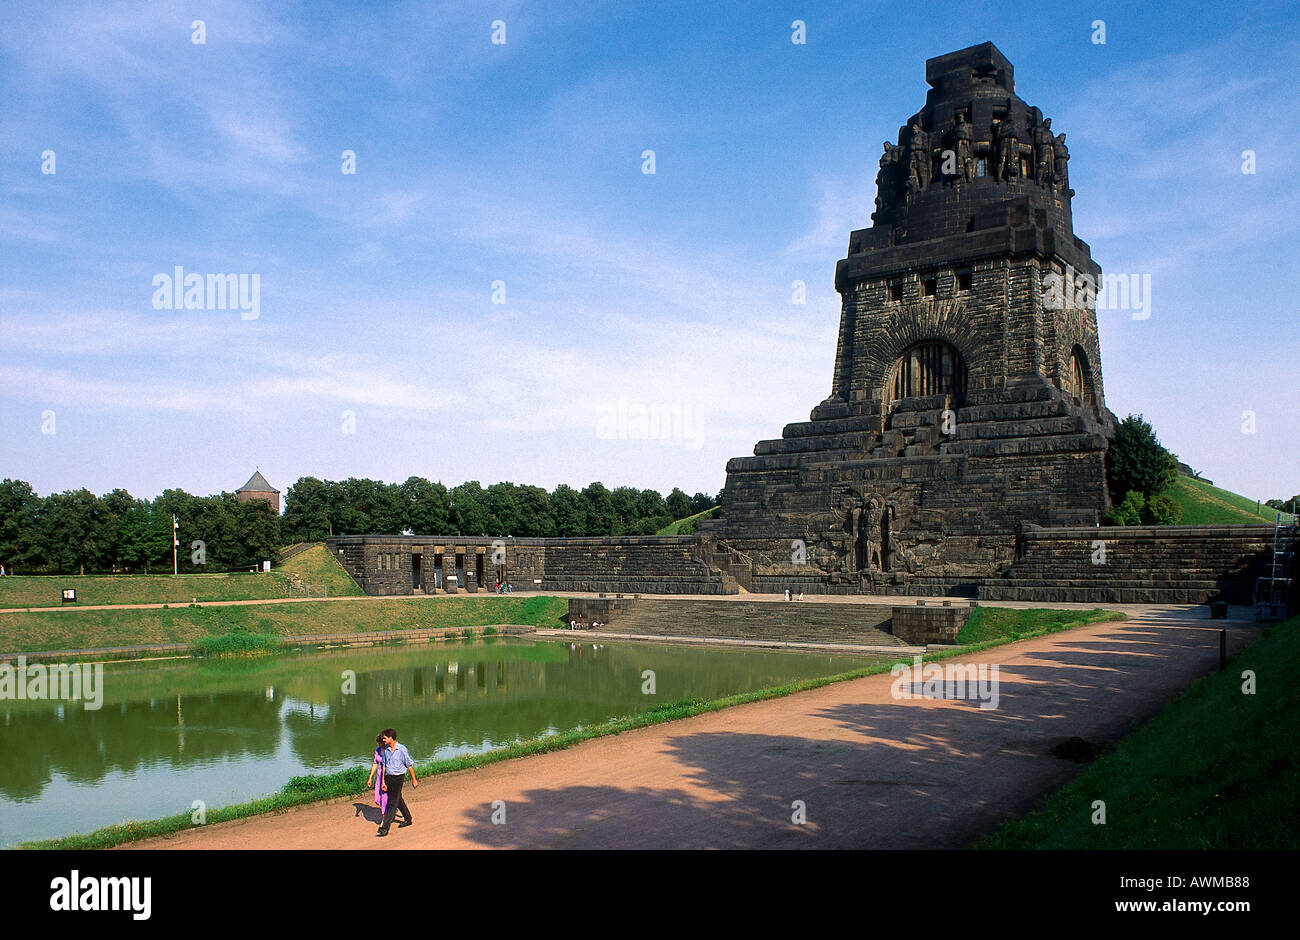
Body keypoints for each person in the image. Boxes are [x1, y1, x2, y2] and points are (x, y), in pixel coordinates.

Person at [376, 728, 417, 836]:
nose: (383, 740)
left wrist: (414, 780)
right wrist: (383, 782)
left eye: (384, 738)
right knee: (398, 799)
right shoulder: (386, 750)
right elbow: (384, 765)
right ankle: (408, 819)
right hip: (389, 778)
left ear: (390, 738)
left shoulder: (402, 749)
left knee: (392, 803)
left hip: (398, 778)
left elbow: (409, 765)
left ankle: (385, 828)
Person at [364, 734, 389, 820]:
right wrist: (370, 777)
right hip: (379, 776)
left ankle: (384, 819)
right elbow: (375, 763)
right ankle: (390, 808)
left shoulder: (389, 750)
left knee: (385, 797)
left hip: (387, 775)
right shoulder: (378, 750)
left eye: (380, 743)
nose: (379, 745)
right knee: (378, 798)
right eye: (378, 743)